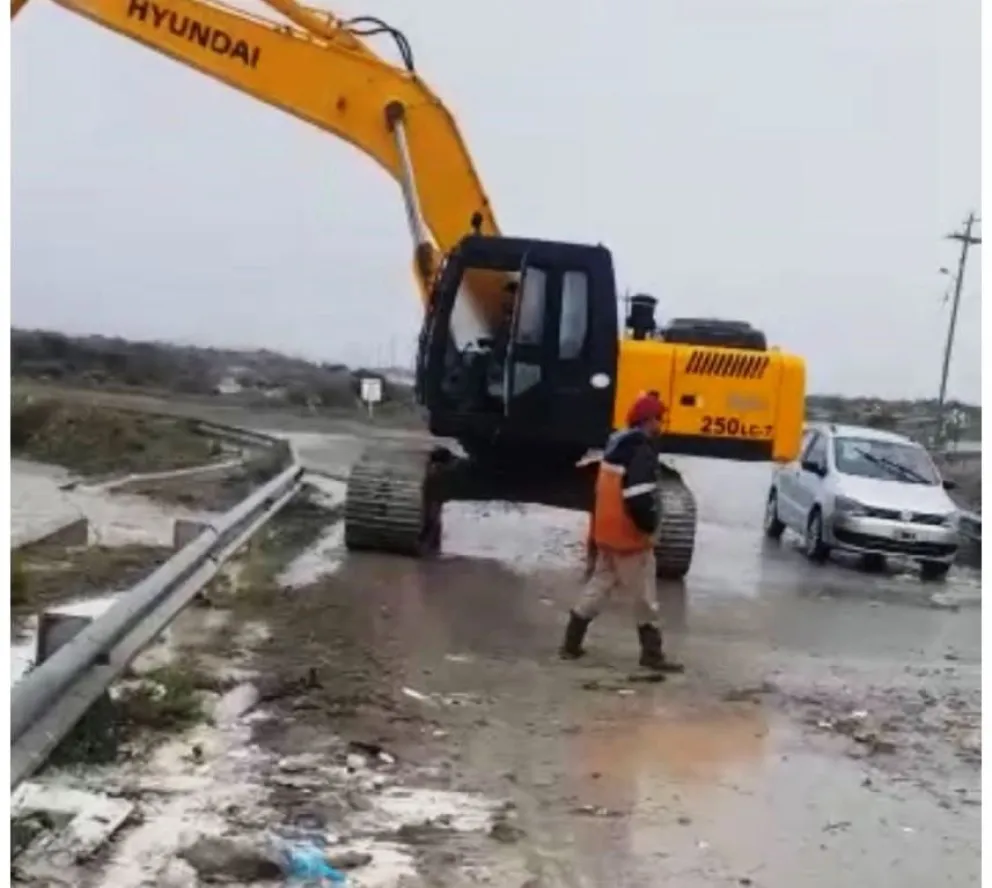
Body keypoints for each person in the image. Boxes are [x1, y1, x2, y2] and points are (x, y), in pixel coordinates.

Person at [559, 391, 683, 673]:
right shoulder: (641, 450)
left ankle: (571, 643)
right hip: (629, 538)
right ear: (648, 420)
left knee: (599, 585)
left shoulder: (616, 444)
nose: (661, 425)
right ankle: (652, 655)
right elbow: (640, 497)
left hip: (607, 533)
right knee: (644, 597)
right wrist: (649, 529)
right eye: (659, 419)